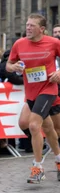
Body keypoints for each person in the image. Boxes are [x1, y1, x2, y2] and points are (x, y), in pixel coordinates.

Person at [6, 14, 60, 183]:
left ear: (42, 29)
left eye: (32, 26)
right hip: (31, 92)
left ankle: (37, 168)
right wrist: (12, 66)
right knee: (49, 129)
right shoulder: (19, 44)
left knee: (33, 125)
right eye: (27, 25)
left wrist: (59, 73)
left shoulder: (53, 43)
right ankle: (59, 161)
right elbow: (8, 64)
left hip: (48, 88)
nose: (28, 28)